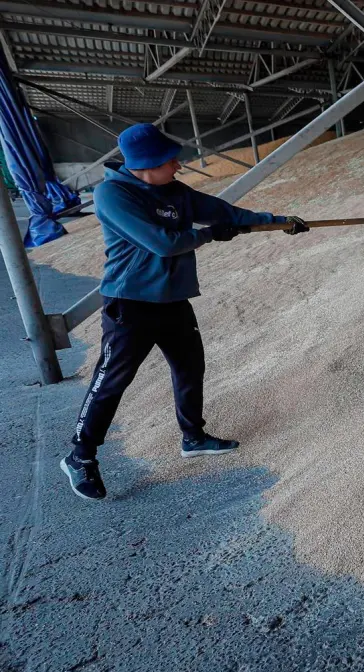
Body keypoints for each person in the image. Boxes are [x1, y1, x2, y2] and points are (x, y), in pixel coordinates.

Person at [60, 123, 309, 500]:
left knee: (190, 367)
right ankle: (80, 456)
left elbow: (224, 212)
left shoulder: (175, 191)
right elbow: (162, 243)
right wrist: (211, 234)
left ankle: (193, 437)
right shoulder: (112, 194)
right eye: (170, 161)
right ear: (146, 165)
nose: (178, 166)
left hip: (173, 300)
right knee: (112, 380)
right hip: (131, 304)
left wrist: (279, 222)